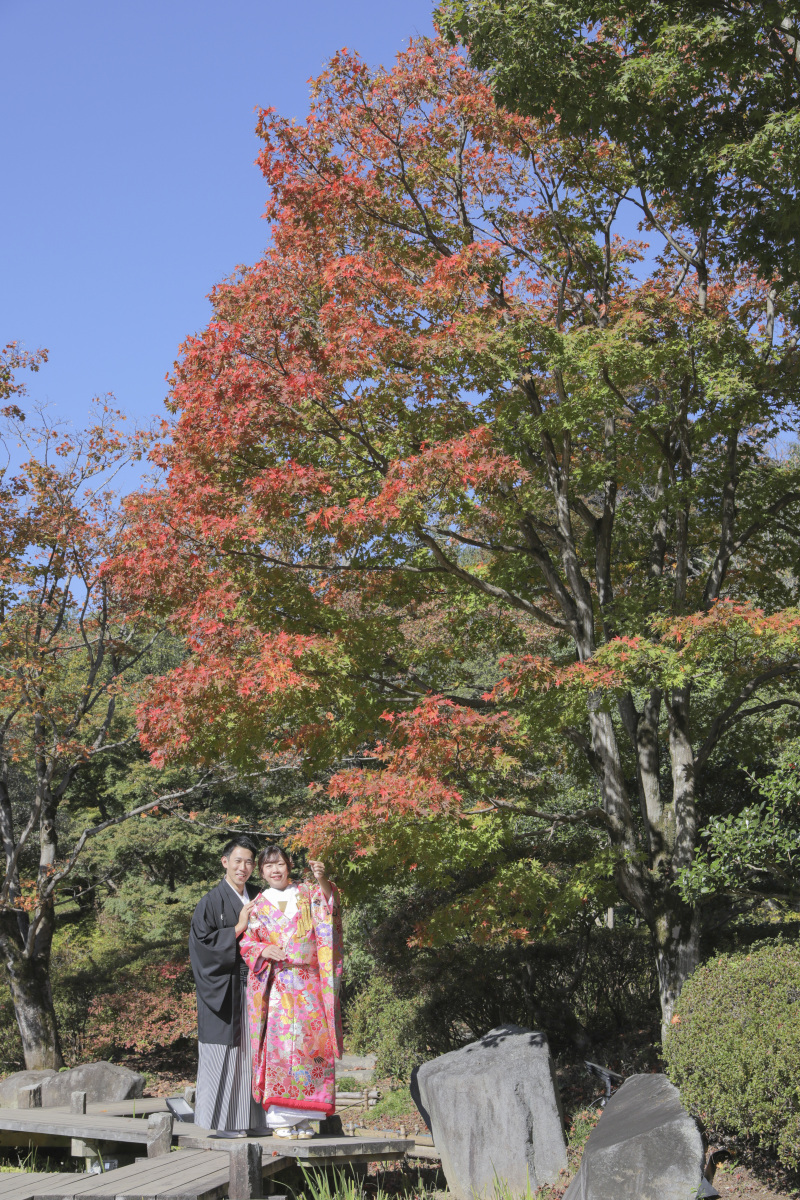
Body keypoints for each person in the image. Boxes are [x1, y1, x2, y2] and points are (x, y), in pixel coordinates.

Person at [240, 846, 343, 1139]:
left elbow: (330, 904)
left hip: (309, 984)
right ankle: (281, 1120)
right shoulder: (258, 905)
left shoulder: (307, 893)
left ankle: (306, 1119)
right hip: (280, 985)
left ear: (289, 866)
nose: (275, 870)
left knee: (312, 1049)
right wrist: (263, 949)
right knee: (281, 1051)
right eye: (269, 866)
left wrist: (322, 879)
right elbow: (247, 943)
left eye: (280, 864)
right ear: (261, 872)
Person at [188, 836, 267, 1136]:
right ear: (225, 862)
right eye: (238, 861)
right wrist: (238, 928)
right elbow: (202, 947)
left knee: (255, 1054)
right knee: (228, 1055)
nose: (243, 867)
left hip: (258, 987)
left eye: (249, 862)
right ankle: (225, 1124)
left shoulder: (260, 896)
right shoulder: (210, 902)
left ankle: (257, 1121)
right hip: (226, 988)